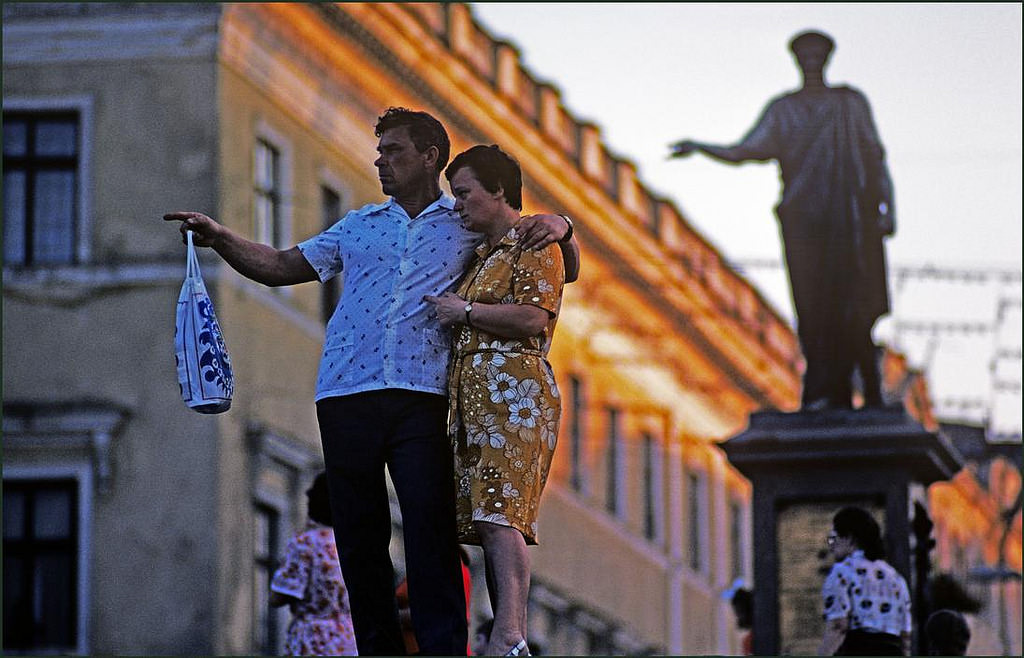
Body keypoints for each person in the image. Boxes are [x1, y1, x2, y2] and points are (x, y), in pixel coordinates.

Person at [165, 107, 580, 656]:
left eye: (393, 151)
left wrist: (564, 225)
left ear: (429, 157)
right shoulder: (358, 224)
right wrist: (221, 238)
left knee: (429, 531)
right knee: (359, 537)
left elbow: (551, 258)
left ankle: (442, 649)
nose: (380, 161)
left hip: (423, 396)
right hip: (344, 392)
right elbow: (281, 266)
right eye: (379, 151)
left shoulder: (466, 220)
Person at [669, 30, 895, 411]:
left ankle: (866, 391)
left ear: (827, 59)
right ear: (797, 61)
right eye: (804, 56)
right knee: (811, 308)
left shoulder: (849, 104)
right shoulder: (784, 110)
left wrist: (888, 206)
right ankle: (823, 391)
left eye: (817, 55)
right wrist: (701, 147)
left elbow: (874, 156)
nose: (811, 62)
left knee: (853, 305)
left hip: (848, 222)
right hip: (802, 223)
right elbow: (745, 150)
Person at [425, 145, 565, 657]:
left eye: (464, 193)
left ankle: (509, 631)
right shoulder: (484, 253)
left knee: (502, 515)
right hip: (477, 401)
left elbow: (533, 316)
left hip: (514, 394)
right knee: (488, 518)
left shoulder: (533, 240)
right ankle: (504, 630)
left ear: (499, 189)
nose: (458, 205)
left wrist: (463, 311)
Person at [270, 472, 358, 656]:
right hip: (350, 640)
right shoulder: (356, 545)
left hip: (313, 641)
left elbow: (278, 597)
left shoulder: (306, 543)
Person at [818, 507, 912, 656]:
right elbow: (905, 635)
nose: (831, 546)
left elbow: (838, 626)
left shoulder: (842, 572)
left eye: (833, 538)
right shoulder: (896, 578)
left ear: (850, 538)